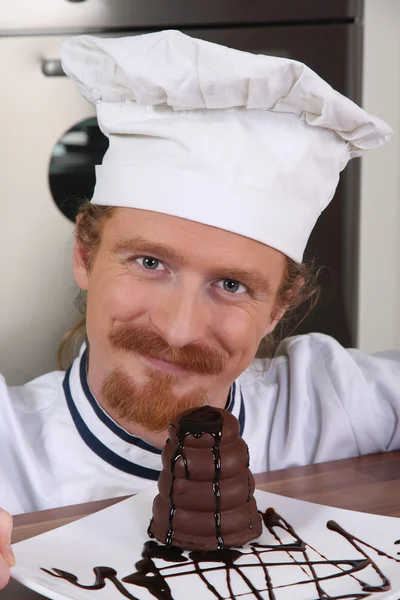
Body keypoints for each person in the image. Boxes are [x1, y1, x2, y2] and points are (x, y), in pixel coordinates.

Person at [1, 30, 399, 588]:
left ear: (280, 307)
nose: (179, 328)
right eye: (148, 263)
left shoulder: (330, 403)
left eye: (233, 285)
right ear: (85, 256)